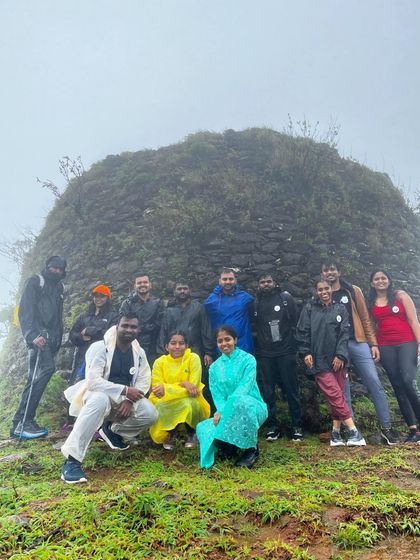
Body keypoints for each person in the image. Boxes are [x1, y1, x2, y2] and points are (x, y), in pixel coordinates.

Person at [60, 313, 158, 483]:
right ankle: (71, 460)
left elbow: (143, 380)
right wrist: (125, 390)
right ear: (117, 327)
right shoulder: (99, 347)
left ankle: (112, 431)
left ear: (138, 330)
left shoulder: (139, 352)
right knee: (99, 401)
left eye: (133, 327)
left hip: (124, 398)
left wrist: (129, 400)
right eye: (125, 326)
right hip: (98, 394)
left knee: (150, 413)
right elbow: (93, 382)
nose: (129, 330)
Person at [321, 260, 398, 445]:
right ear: (323, 274)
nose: (329, 272)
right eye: (326, 270)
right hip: (337, 348)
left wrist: (373, 343)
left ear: (339, 271)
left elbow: (364, 316)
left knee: (374, 382)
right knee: (342, 389)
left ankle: (387, 428)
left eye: (332, 269)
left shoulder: (352, 290)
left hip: (357, 341)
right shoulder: (323, 293)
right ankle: (351, 430)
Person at [296, 278, 366, 447]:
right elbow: (302, 331)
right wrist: (305, 352)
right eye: (320, 289)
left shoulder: (340, 308)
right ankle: (353, 431)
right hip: (319, 360)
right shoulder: (310, 308)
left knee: (337, 397)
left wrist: (341, 355)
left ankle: (335, 434)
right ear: (316, 291)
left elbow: (344, 333)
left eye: (326, 288)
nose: (324, 292)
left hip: (338, 361)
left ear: (331, 290)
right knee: (334, 394)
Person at [10, 256, 66, 439]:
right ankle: (24, 422)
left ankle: (20, 422)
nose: (56, 271)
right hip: (39, 338)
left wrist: (57, 339)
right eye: (54, 267)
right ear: (47, 266)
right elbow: (25, 310)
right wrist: (32, 336)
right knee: (45, 370)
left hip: (51, 340)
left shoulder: (59, 288)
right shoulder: (36, 282)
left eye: (60, 269)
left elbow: (58, 317)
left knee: (34, 378)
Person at [196, 325, 268, 468]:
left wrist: (225, 411)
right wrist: (221, 411)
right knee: (203, 427)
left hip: (252, 407)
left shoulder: (248, 360)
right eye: (220, 341)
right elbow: (217, 396)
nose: (224, 344)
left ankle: (251, 450)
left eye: (227, 339)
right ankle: (230, 446)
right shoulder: (214, 368)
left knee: (241, 403)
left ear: (235, 340)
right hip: (226, 410)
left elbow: (244, 388)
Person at [368, 270, 420, 443]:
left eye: (383, 278)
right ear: (372, 283)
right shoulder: (371, 302)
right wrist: (374, 345)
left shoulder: (400, 296)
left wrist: (419, 342)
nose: (380, 281)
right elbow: (372, 327)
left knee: (407, 381)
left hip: (407, 343)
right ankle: (413, 430)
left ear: (389, 281)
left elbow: (413, 320)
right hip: (385, 346)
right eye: (377, 279)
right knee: (397, 385)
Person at [253, 273, 303, 442]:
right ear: (259, 285)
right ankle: (273, 427)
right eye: (262, 281)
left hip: (286, 352)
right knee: (268, 392)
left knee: (291, 390)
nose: (266, 284)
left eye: (269, 281)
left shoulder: (285, 298)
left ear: (275, 283)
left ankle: (297, 426)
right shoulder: (255, 303)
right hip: (266, 354)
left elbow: (296, 321)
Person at [149, 331, 210, 450]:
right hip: (165, 401)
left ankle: (191, 432)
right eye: (173, 343)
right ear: (166, 347)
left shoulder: (193, 358)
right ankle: (172, 433)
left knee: (188, 402)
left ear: (187, 346)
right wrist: (183, 384)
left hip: (192, 399)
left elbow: (193, 389)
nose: (177, 346)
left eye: (181, 343)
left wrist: (167, 388)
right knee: (161, 404)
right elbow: (158, 389)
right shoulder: (159, 362)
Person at [68, 284, 118, 384]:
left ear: (108, 298)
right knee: (76, 383)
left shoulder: (113, 316)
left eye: (102, 296)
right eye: (96, 296)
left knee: (95, 384)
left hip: (101, 356)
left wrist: (91, 330)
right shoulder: (84, 316)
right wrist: (81, 338)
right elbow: (72, 334)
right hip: (82, 354)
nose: (98, 299)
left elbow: (112, 335)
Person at [204, 268, 254, 354]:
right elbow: (204, 323)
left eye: (230, 279)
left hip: (243, 346)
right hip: (221, 347)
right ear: (220, 281)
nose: (228, 282)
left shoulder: (245, 298)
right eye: (224, 279)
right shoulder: (210, 301)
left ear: (235, 280)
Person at [119, 274, 165, 366]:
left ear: (150, 285)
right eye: (139, 283)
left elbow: (162, 323)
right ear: (135, 286)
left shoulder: (158, 302)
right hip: (131, 346)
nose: (142, 284)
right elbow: (123, 324)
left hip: (153, 347)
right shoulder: (128, 303)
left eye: (145, 282)